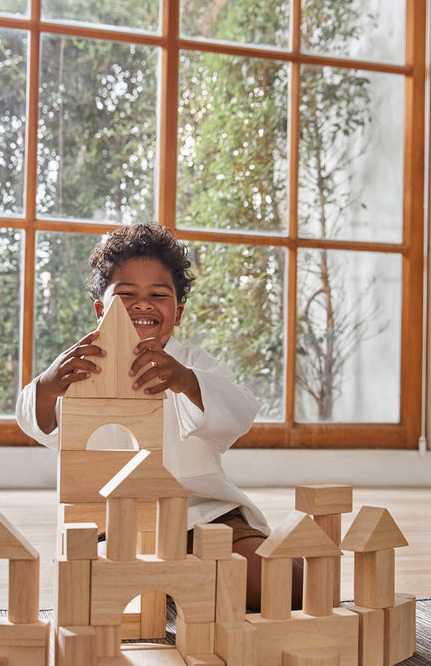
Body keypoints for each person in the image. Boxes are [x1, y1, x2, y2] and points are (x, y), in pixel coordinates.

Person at [16, 222, 302, 610]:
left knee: (286, 582)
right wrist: (49, 386)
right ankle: (172, 586)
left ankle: (185, 581)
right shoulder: (83, 366)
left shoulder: (192, 363)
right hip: (117, 523)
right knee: (91, 586)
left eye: (158, 295)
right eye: (126, 294)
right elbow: (38, 422)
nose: (143, 304)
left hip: (203, 515)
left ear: (177, 312)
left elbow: (239, 410)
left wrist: (185, 381)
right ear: (101, 310)